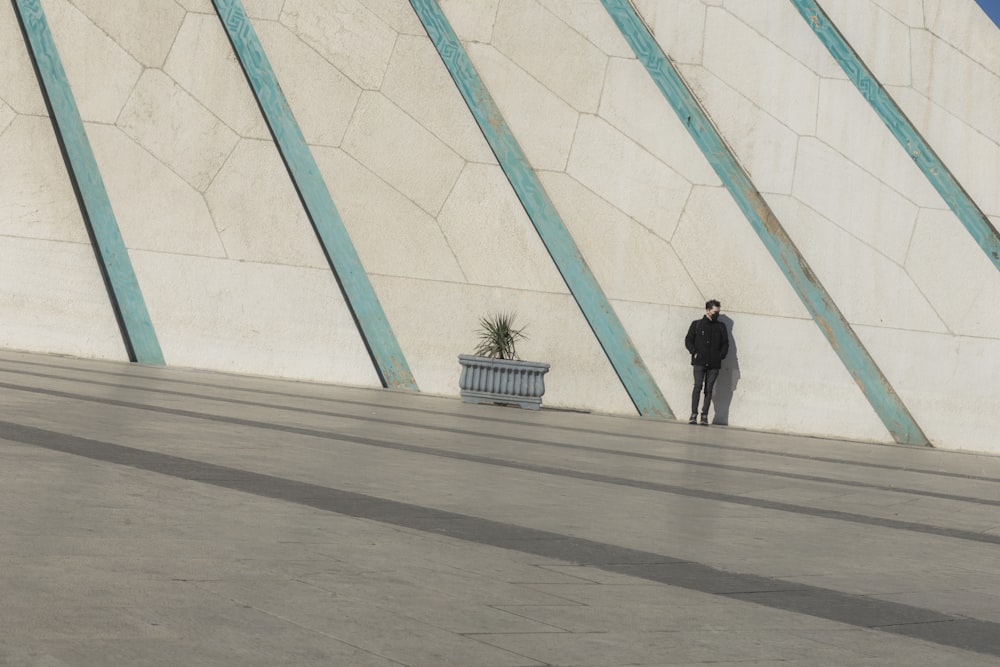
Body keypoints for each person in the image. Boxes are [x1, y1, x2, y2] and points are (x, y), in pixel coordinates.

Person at [684, 299, 729, 425]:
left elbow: (725, 343)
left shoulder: (721, 327)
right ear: (708, 310)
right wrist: (694, 352)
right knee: (697, 386)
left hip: (714, 364)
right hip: (699, 362)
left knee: (709, 389)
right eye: (715, 312)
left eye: (718, 312)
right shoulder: (697, 324)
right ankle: (693, 414)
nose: (717, 314)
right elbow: (688, 340)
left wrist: (720, 356)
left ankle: (704, 415)